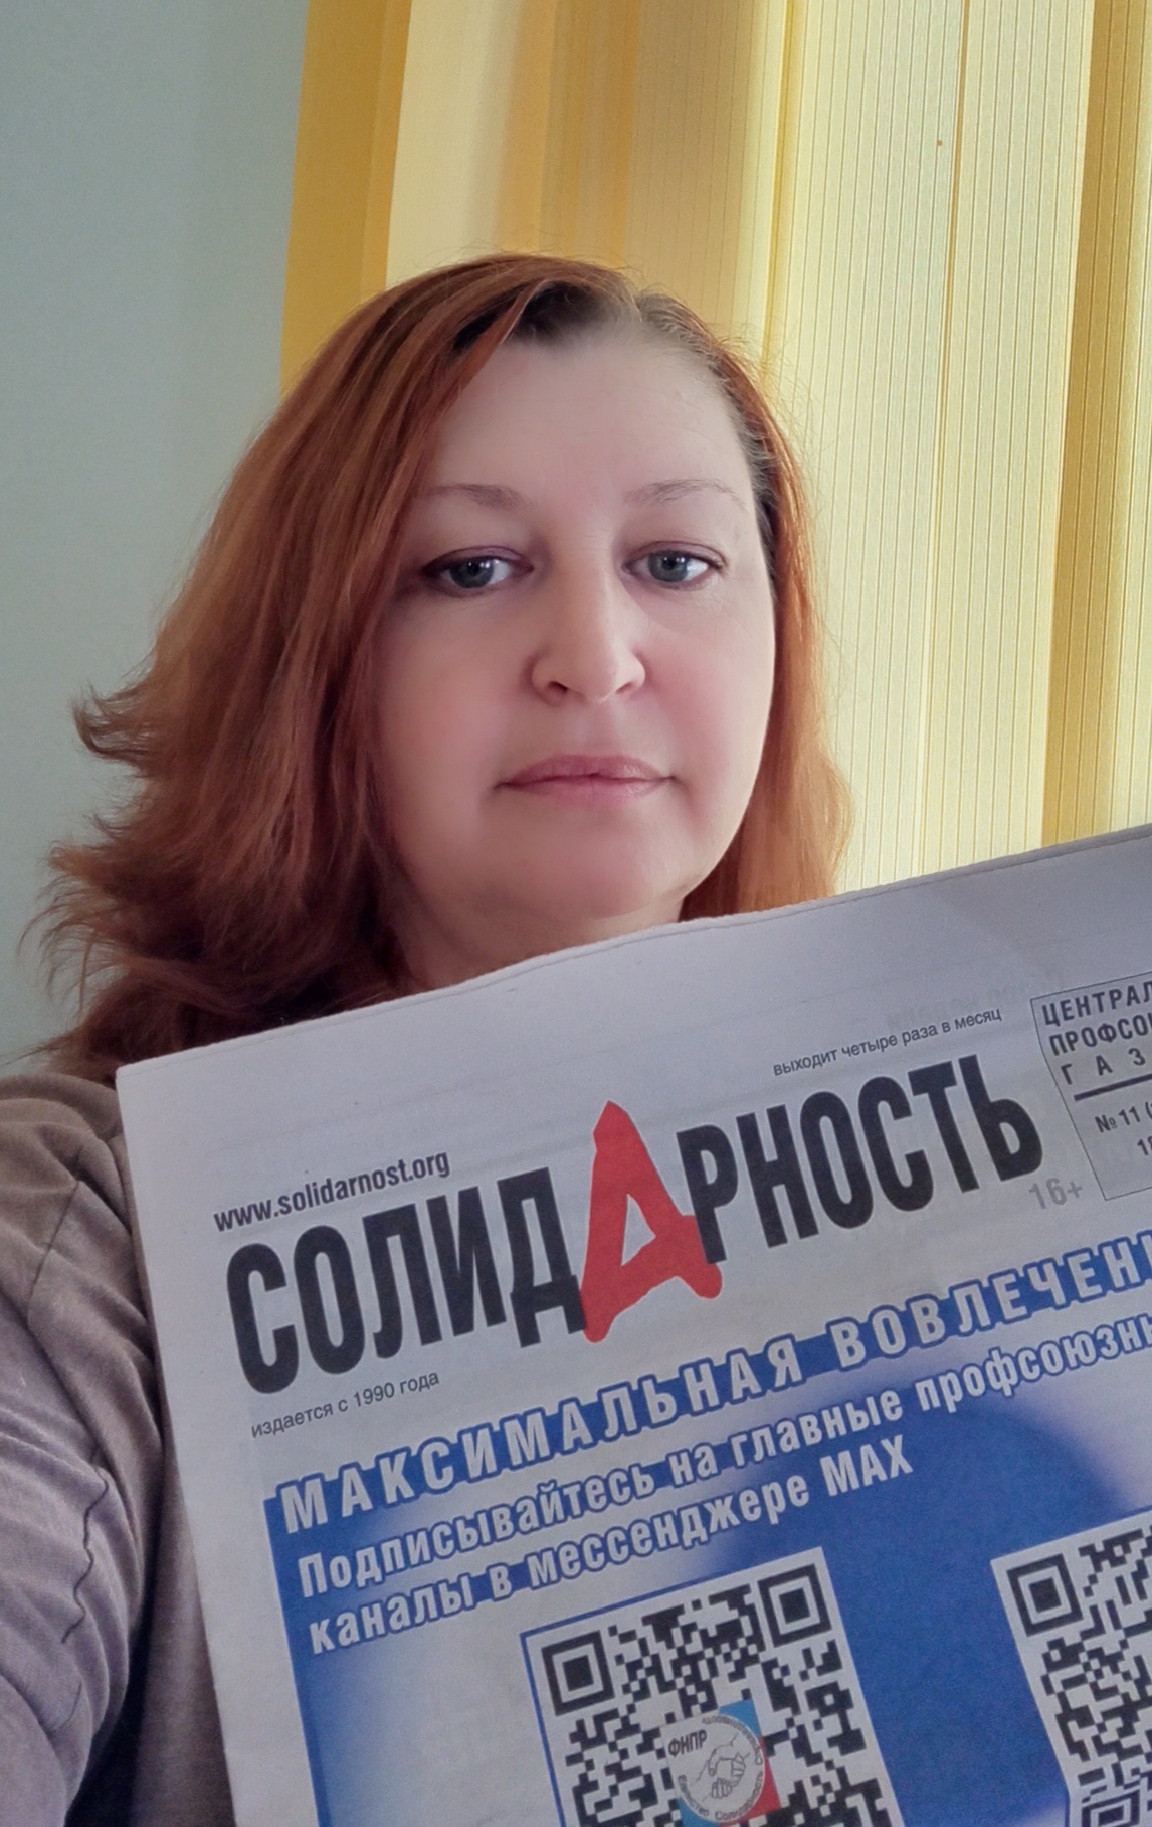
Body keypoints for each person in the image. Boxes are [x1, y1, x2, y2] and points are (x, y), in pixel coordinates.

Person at [0, 254, 846, 1824]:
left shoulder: (953, 1153)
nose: (595, 654)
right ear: (315, 659)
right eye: (470, 568)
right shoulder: (81, 1226)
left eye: (674, 560)